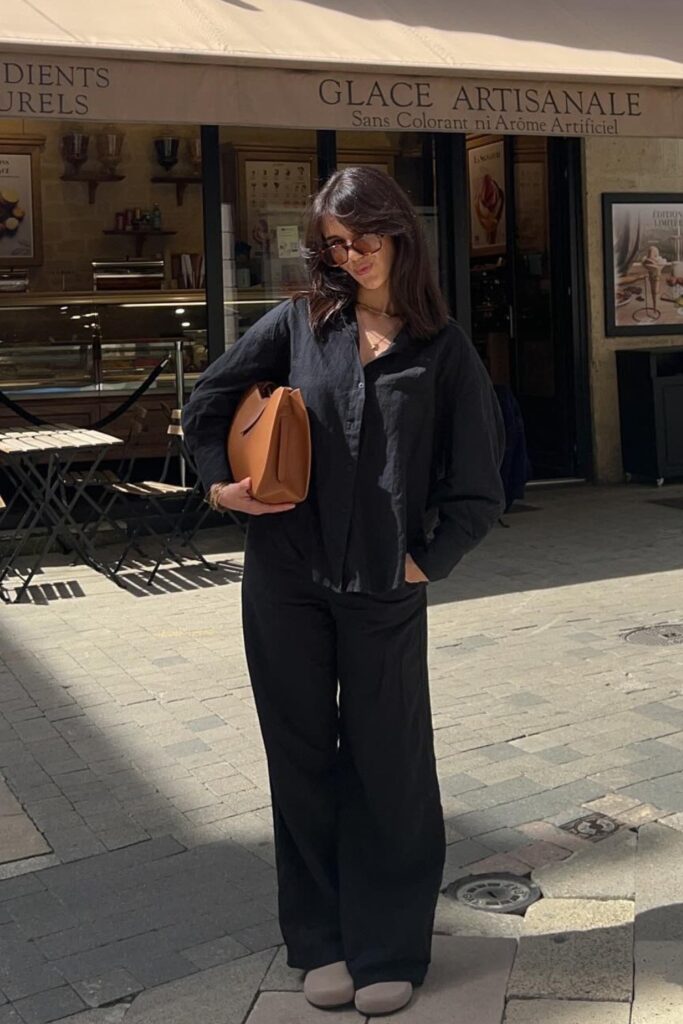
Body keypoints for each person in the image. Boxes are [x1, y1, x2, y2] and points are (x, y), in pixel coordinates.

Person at [182, 166, 505, 1016]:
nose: (349, 256)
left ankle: (388, 945)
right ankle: (320, 941)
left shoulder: (443, 349)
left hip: (381, 588)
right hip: (282, 576)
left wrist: (423, 563)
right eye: (333, 244)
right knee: (298, 758)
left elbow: (479, 483)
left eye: (362, 238)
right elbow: (207, 403)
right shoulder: (297, 323)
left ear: (400, 233)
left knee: (387, 765)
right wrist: (220, 487)